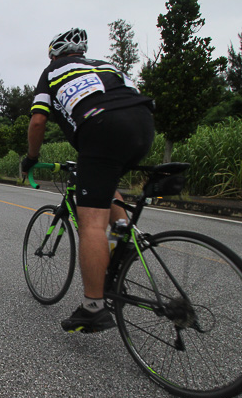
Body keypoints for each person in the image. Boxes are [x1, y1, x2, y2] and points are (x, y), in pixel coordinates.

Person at [21, 28, 155, 333]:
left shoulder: (52, 71)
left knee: (92, 222)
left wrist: (31, 157)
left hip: (103, 125)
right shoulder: (105, 65)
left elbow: (39, 118)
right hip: (144, 124)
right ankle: (125, 236)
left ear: (55, 53)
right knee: (105, 183)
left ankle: (93, 308)